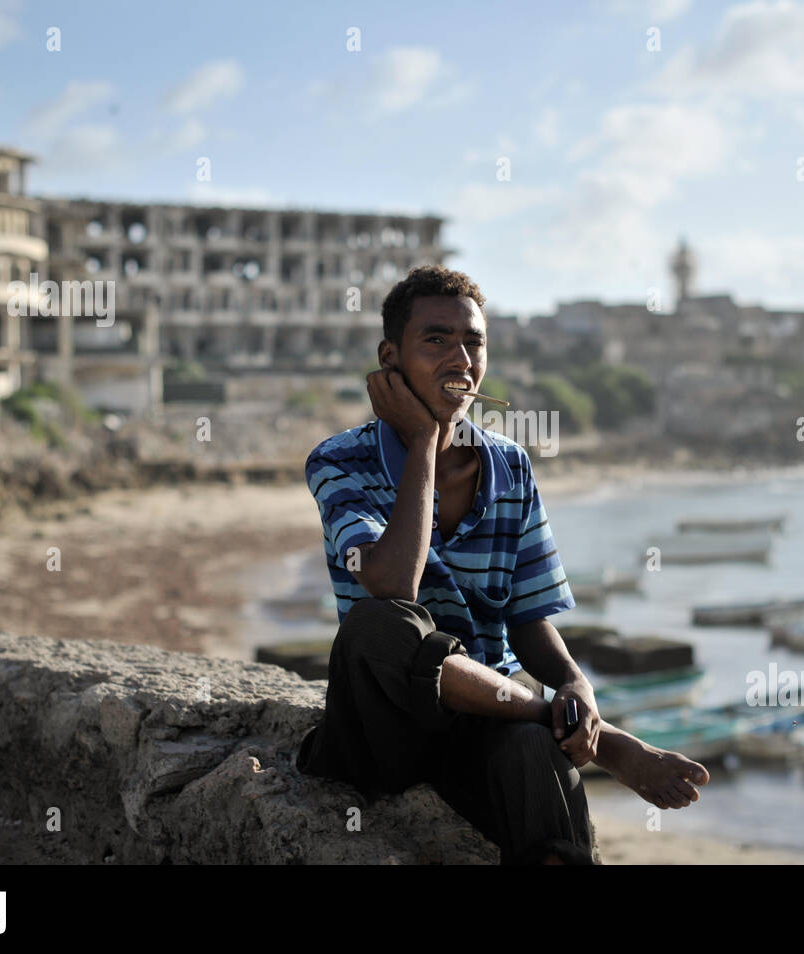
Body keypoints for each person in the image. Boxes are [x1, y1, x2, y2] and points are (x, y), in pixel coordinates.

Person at [296, 264, 709, 864]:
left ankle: (555, 748)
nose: (460, 357)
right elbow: (390, 582)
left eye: (474, 341)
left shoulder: (509, 466)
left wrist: (574, 682)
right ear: (390, 358)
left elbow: (526, 615)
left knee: (535, 762)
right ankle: (608, 744)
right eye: (436, 340)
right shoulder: (339, 461)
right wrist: (421, 443)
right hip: (388, 723)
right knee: (379, 624)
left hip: (487, 721)